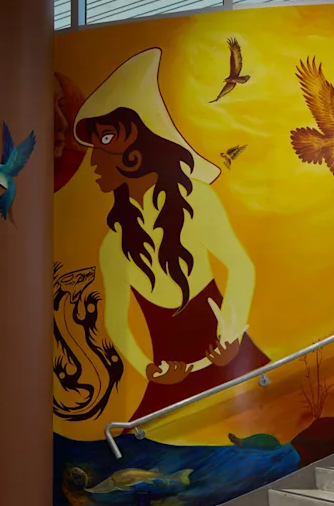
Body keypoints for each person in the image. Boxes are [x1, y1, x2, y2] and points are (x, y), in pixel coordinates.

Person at [72, 47, 270, 423]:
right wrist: (149, 369)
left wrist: (230, 337)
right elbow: (116, 320)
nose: (94, 161)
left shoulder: (196, 199)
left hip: (229, 364)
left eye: (106, 141)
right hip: (168, 384)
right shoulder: (113, 243)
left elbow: (240, 266)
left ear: (138, 146)